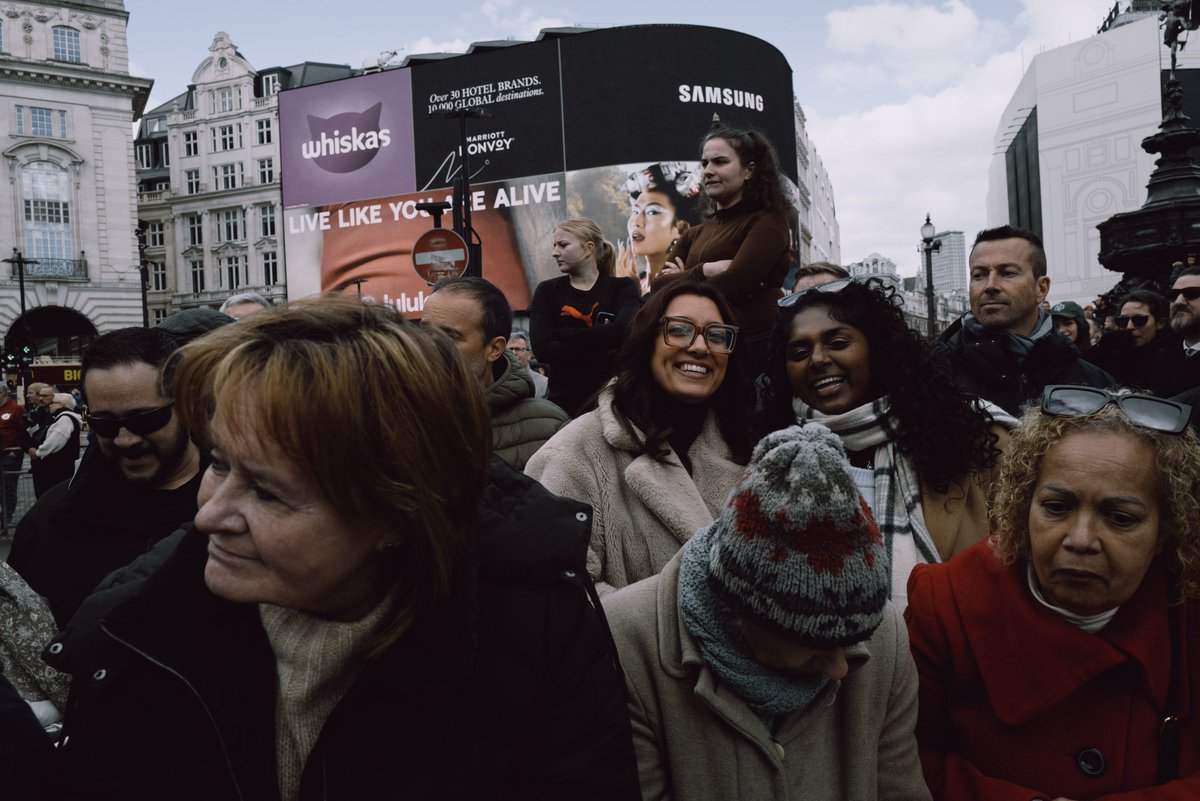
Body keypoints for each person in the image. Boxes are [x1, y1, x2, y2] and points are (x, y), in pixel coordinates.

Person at [44, 297, 640, 800]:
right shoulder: (138, 629)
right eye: (219, 464)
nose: (211, 514)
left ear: (397, 513)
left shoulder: (535, 625)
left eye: (271, 494)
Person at [603, 424, 930, 801]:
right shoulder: (627, 644)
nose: (841, 667)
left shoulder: (884, 636)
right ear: (742, 612)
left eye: (849, 642)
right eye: (816, 644)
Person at [906, 385, 1200, 800]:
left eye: (1119, 518)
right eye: (1057, 508)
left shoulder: (1188, 608)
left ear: (1165, 531)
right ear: (1023, 505)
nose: (1080, 540)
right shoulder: (946, 604)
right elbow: (905, 759)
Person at [760, 278, 1016, 608]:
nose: (818, 359)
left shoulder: (976, 436)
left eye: (837, 342)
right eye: (800, 351)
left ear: (876, 349)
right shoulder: (774, 455)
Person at [526, 282, 754, 594]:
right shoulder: (573, 453)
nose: (700, 347)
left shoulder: (749, 450)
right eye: (679, 330)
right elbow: (558, 599)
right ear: (647, 342)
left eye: (716, 335)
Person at [7, 327, 206, 627]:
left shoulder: (246, 508)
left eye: (146, 418)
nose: (126, 439)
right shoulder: (50, 519)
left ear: (186, 406)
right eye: (105, 423)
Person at [651, 120, 793, 379]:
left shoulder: (768, 220)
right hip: (699, 347)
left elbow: (733, 284)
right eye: (704, 163)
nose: (707, 171)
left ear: (749, 171)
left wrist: (682, 277)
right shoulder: (695, 233)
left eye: (720, 162)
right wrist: (705, 270)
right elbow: (657, 287)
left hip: (753, 350)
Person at [938, 225, 1111, 415]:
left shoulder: (1094, 384)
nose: (990, 285)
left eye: (1008, 273)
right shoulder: (933, 373)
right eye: (979, 275)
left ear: (1041, 289)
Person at [421, 277, 568, 470]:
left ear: (494, 348)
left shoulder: (550, 431)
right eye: (424, 331)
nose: (428, 345)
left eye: (449, 336)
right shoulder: (396, 418)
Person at [528, 217, 641, 416]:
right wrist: (604, 343)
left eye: (563, 245)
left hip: (612, 403)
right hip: (562, 406)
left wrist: (564, 334)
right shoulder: (547, 291)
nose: (555, 252)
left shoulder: (622, 287)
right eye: (555, 245)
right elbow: (543, 349)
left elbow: (624, 332)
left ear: (589, 248)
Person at [615, 163, 698, 295]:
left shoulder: (688, 286)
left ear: (682, 228)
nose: (636, 222)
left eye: (652, 212)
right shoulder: (633, 280)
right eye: (635, 211)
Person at [1090, 289, 1175, 392]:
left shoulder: (1176, 356)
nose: (1129, 326)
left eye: (1139, 320)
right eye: (1123, 321)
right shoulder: (1110, 352)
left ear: (1159, 323)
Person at [26, 392, 82, 498]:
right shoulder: (60, 418)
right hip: (58, 470)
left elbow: (54, 441)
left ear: (61, 404)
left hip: (57, 471)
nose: (50, 405)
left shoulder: (65, 419)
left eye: (52, 403)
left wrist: (38, 453)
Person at [0, 385, 26, 525]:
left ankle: (7, 516)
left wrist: (16, 450)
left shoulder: (16, 409)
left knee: (8, 486)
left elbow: (24, 432)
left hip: (10, 454)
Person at [508, 328, 548, 398]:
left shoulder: (543, 383)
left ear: (529, 355)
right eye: (510, 349)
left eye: (518, 349)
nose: (513, 353)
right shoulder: (496, 380)